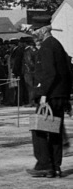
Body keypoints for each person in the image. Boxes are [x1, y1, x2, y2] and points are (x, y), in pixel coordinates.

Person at [29, 26, 72, 178]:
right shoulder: (56, 44)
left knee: (39, 131)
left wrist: (43, 94)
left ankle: (44, 165)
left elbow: (49, 73)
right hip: (59, 95)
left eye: (36, 31)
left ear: (43, 30)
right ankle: (55, 167)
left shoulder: (46, 47)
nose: (34, 34)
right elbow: (67, 69)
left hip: (50, 96)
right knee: (55, 132)